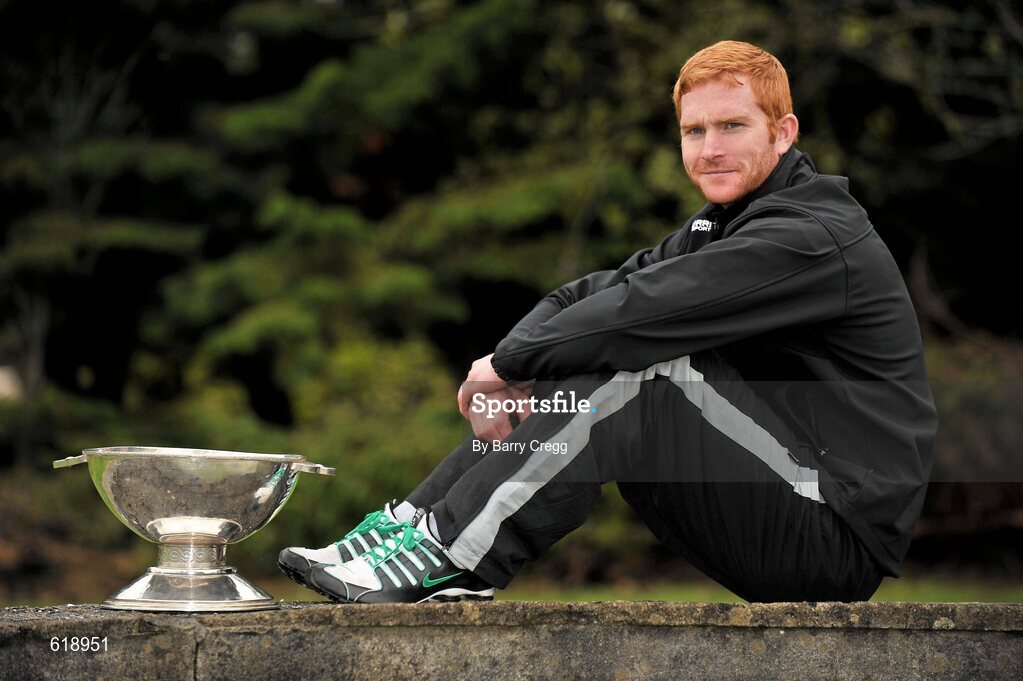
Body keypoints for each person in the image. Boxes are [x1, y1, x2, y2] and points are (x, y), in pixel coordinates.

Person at [278, 40, 937, 604]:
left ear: (783, 131)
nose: (709, 148)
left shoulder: (808, 236)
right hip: (779, 495)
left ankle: (450, 552)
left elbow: (639, 314)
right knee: (573, 350)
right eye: (693, 131)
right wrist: (516, 360)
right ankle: (411, 525)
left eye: (731, 126)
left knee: (638, 366)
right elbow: (596, 293)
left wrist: (506, 365)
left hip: (829, 527)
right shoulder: (724, 225)